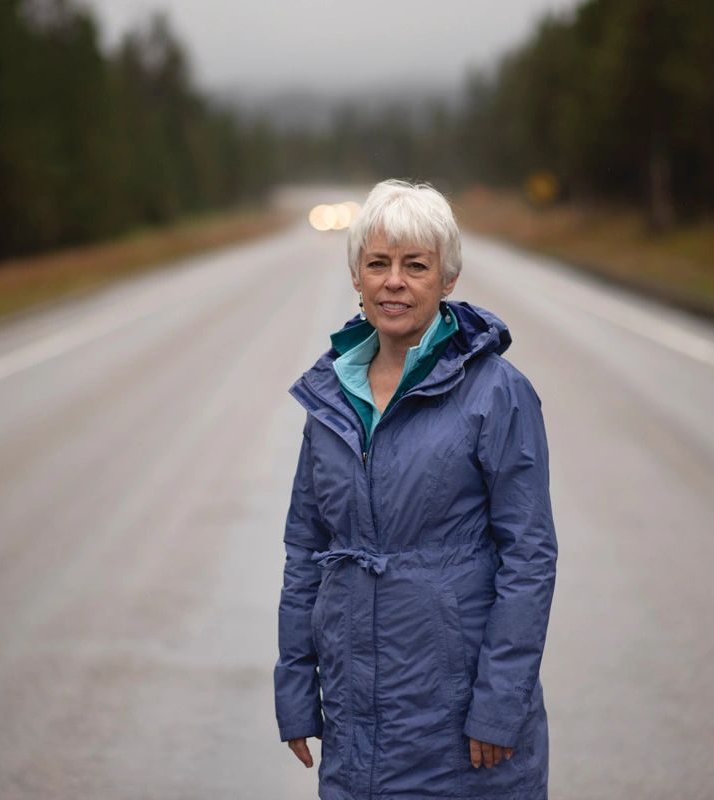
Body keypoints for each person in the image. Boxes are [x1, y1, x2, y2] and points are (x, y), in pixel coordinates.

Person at [274, 179, 558, 799]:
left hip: (460, 727)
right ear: (357, 277)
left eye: (415, 266)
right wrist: (297, 691)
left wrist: (499, 704)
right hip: (357, 725)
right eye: (378, 264)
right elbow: (304, 554)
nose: (394, 281)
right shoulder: (330, 400)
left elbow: (528, 558)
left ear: (447, 280)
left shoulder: (496, 392)